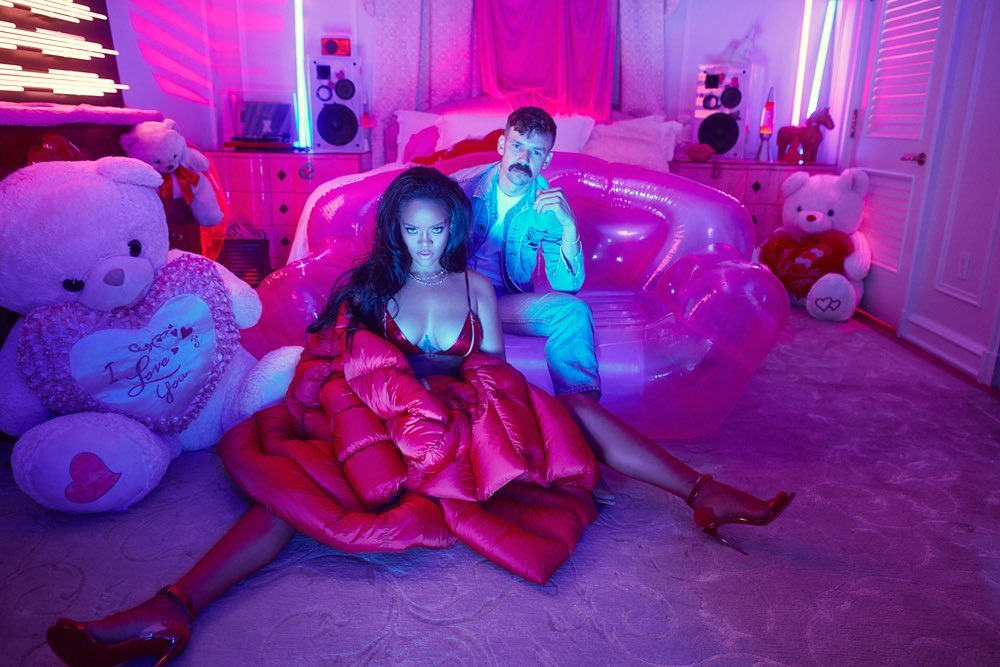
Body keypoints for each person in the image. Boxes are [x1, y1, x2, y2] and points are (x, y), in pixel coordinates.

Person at [45, 167, 789, 667]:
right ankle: (173, 605)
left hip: (458, 415)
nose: (425, 245)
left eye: (437, 231)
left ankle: (703, 493)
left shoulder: (475, 287)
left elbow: (493, 372)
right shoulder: (368, 287)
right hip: (384, 421)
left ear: (454, 229)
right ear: (395, 230)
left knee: (576, 410)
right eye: (413, 232)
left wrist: (489, 429)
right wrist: (374, 397)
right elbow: (336, 363)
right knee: (298, 492)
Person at [452, 106, 793, 552]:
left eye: (535, 152)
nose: (523, 159)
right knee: (514, 304)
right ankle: (620, 461)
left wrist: (568, 227)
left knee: (571, 311)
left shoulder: (547, 204)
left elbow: (566, 284)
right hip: (455, 300)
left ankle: (587, 428)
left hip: (500, 301)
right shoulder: (462, 188)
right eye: (517, 146)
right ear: (502, 144)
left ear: (547, 158)